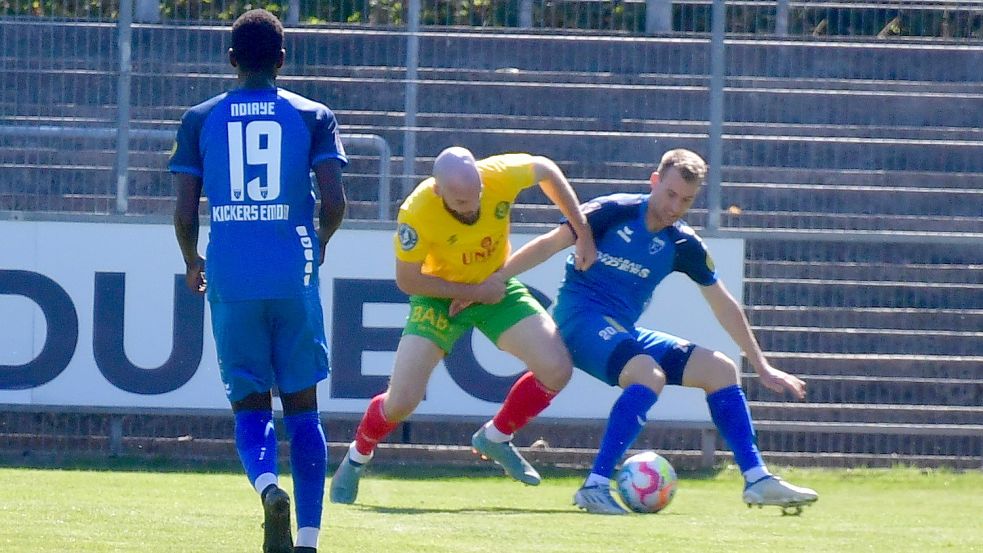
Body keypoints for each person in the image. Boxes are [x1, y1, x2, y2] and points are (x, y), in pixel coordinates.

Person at [500, 148, 819, 515]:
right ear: (654, 181)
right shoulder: (613, 211)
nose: (675, 207)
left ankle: (757, 479)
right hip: (579, 321)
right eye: (669, 194)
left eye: (686, 200)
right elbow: (547, 244)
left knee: (721, 370)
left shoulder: (683, 243)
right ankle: (596, 485)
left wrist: (761, 364)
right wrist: (494, 281)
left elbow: (723, 302)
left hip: (621, 330)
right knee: (648, 374)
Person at [328, 146, 597, 504]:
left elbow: (547, 168)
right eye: (460, 203)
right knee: (402, 401)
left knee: (557, 369)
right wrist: (470, 291)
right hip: (440, 298)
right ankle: (357, 456)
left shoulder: (499, 174)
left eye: (476, 198)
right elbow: (408, 281)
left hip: (494, 289)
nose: (471, 209)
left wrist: (583, 231)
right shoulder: (417, 210)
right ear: (439, 191)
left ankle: (496, 437)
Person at [170, 9, 347, 552]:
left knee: (250, 403)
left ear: (231, 61)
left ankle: (269, 487)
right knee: (303, 407)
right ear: (282, 60)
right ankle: (310, 540)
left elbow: (184, 211)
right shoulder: (313, 114)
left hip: (230, 273)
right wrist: (315, 247)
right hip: (293, 272)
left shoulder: (200, 119)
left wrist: (191, 260)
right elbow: (336, 201)